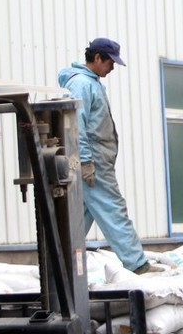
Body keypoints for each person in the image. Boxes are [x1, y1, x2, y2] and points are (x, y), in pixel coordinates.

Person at [57, 37, 153, 275]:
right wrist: (87, 161)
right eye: (110, 62)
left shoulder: (91, 83)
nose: (112, 68)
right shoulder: (82, 84)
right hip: (94, 162)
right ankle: (137, 263)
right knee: (113, 209)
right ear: (97, 58)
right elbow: (76, 125)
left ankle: (58, 264)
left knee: (79, 217)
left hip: (97, 160)